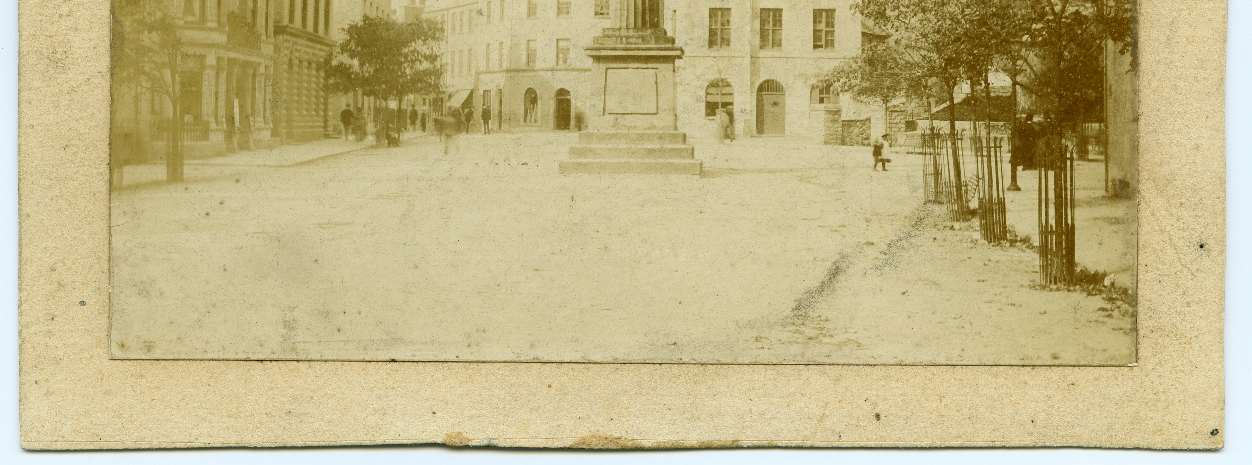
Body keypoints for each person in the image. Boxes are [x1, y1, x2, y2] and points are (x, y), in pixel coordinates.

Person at [1009, 113, 1035, 190]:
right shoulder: (1027, 125)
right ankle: (1025, 165)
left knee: (1024, 154)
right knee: (1026, 154)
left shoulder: (1023, 124)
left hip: (1023, 142)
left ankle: (1024, 165)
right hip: (1025, 142)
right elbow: (1030, 132)